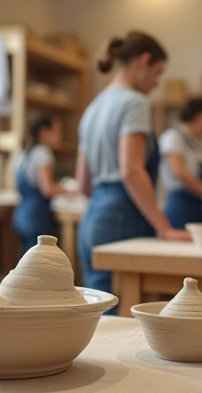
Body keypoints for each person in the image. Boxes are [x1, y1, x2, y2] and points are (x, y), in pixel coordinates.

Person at [76, 31, 191, 313]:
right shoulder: (134, 103)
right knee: (119, 315)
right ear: (144, 61)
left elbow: (83, 184)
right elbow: (131, 171)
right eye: (158, 72)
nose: (156, 83)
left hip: (93, 217)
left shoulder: (92, 108)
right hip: (121, 216)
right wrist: (164, 228)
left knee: (97, 310)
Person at [12, 115, 72, 253]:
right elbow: (47, 189)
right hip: (36, 217)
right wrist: (72, 190)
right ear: (45, 131)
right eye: (57, 131)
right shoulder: (43, 154)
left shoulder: (22, 154)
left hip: (20, 215)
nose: (60, 136)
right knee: (39, 265)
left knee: (27, 264)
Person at [160, 97, 202, 229]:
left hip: (199, 209)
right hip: (181, 208)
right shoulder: (172, 138)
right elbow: (179, 173)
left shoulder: (196, 145)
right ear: (197, 117)